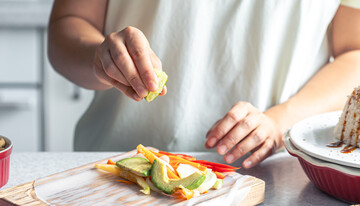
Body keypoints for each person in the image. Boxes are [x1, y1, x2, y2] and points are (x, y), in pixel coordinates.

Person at [48, 0, 360, 168]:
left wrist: (280, 122)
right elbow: (69, 23)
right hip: (117, 165)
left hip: (271, 177)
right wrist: (100, 58)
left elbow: (354, 53)